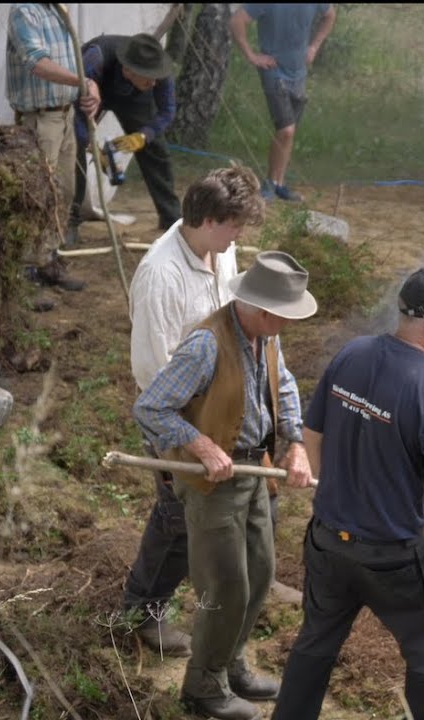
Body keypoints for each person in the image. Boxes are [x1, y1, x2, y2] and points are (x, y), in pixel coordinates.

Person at [271, 266, 424, 720]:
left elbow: (312, 433)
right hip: (393, 559)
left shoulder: (352, 354)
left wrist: (337, 484)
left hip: (329, 541)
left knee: (315, 644)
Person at [122, 166, 303, 659]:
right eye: (235, 225)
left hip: (234, 409)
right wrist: (182, 442)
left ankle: (243, 582)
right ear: (208, 219)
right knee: (177, 518)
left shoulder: (222, 253)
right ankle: (143, 612)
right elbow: (154, 372)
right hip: (184, 419)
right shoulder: (162, 275)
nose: (241, 235)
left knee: (255, 502)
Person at [134, 251, 317, 720]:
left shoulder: (266, 337)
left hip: (255, 475)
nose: (287, 326)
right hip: (214, 484)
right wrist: (200, 446)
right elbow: (151, 408)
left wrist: (295, 442)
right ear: (261, 309)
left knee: (258, 577)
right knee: (225, 584)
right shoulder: (206, 345)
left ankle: (229, 664)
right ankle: (203, 686)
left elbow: (286, 385)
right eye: (284, 317)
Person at [4, 2, 99, 304]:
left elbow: (74, 66)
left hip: (64, 115)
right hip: (39, 119)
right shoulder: (25, 11)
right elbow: (36, 62)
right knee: (36, 197)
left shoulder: (58, 11)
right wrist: (78, 81)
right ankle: (24, 274)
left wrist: (89, 86)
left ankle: (47, 260)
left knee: (63, 192)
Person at [68, 33, 181, 242]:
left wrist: (144, 136)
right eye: (149, 76)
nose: (155, 82)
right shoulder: (95, 57)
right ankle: (71, 221)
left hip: (135, 96)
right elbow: (73, 102)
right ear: (128, 69)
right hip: (92, 90)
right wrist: (89, 144)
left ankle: (172, 219)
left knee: (155, 149)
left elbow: (168, 111)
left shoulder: (157, 67)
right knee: (75, 147)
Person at [228, 4, 336, 203]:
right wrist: (251, 55)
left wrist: (314, 46)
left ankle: (279, 183)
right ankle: (270, 183)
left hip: (299, 73)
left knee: (289, 132)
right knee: (286, 129)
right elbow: (237, 21)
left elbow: (329, 16)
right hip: (274, 71)